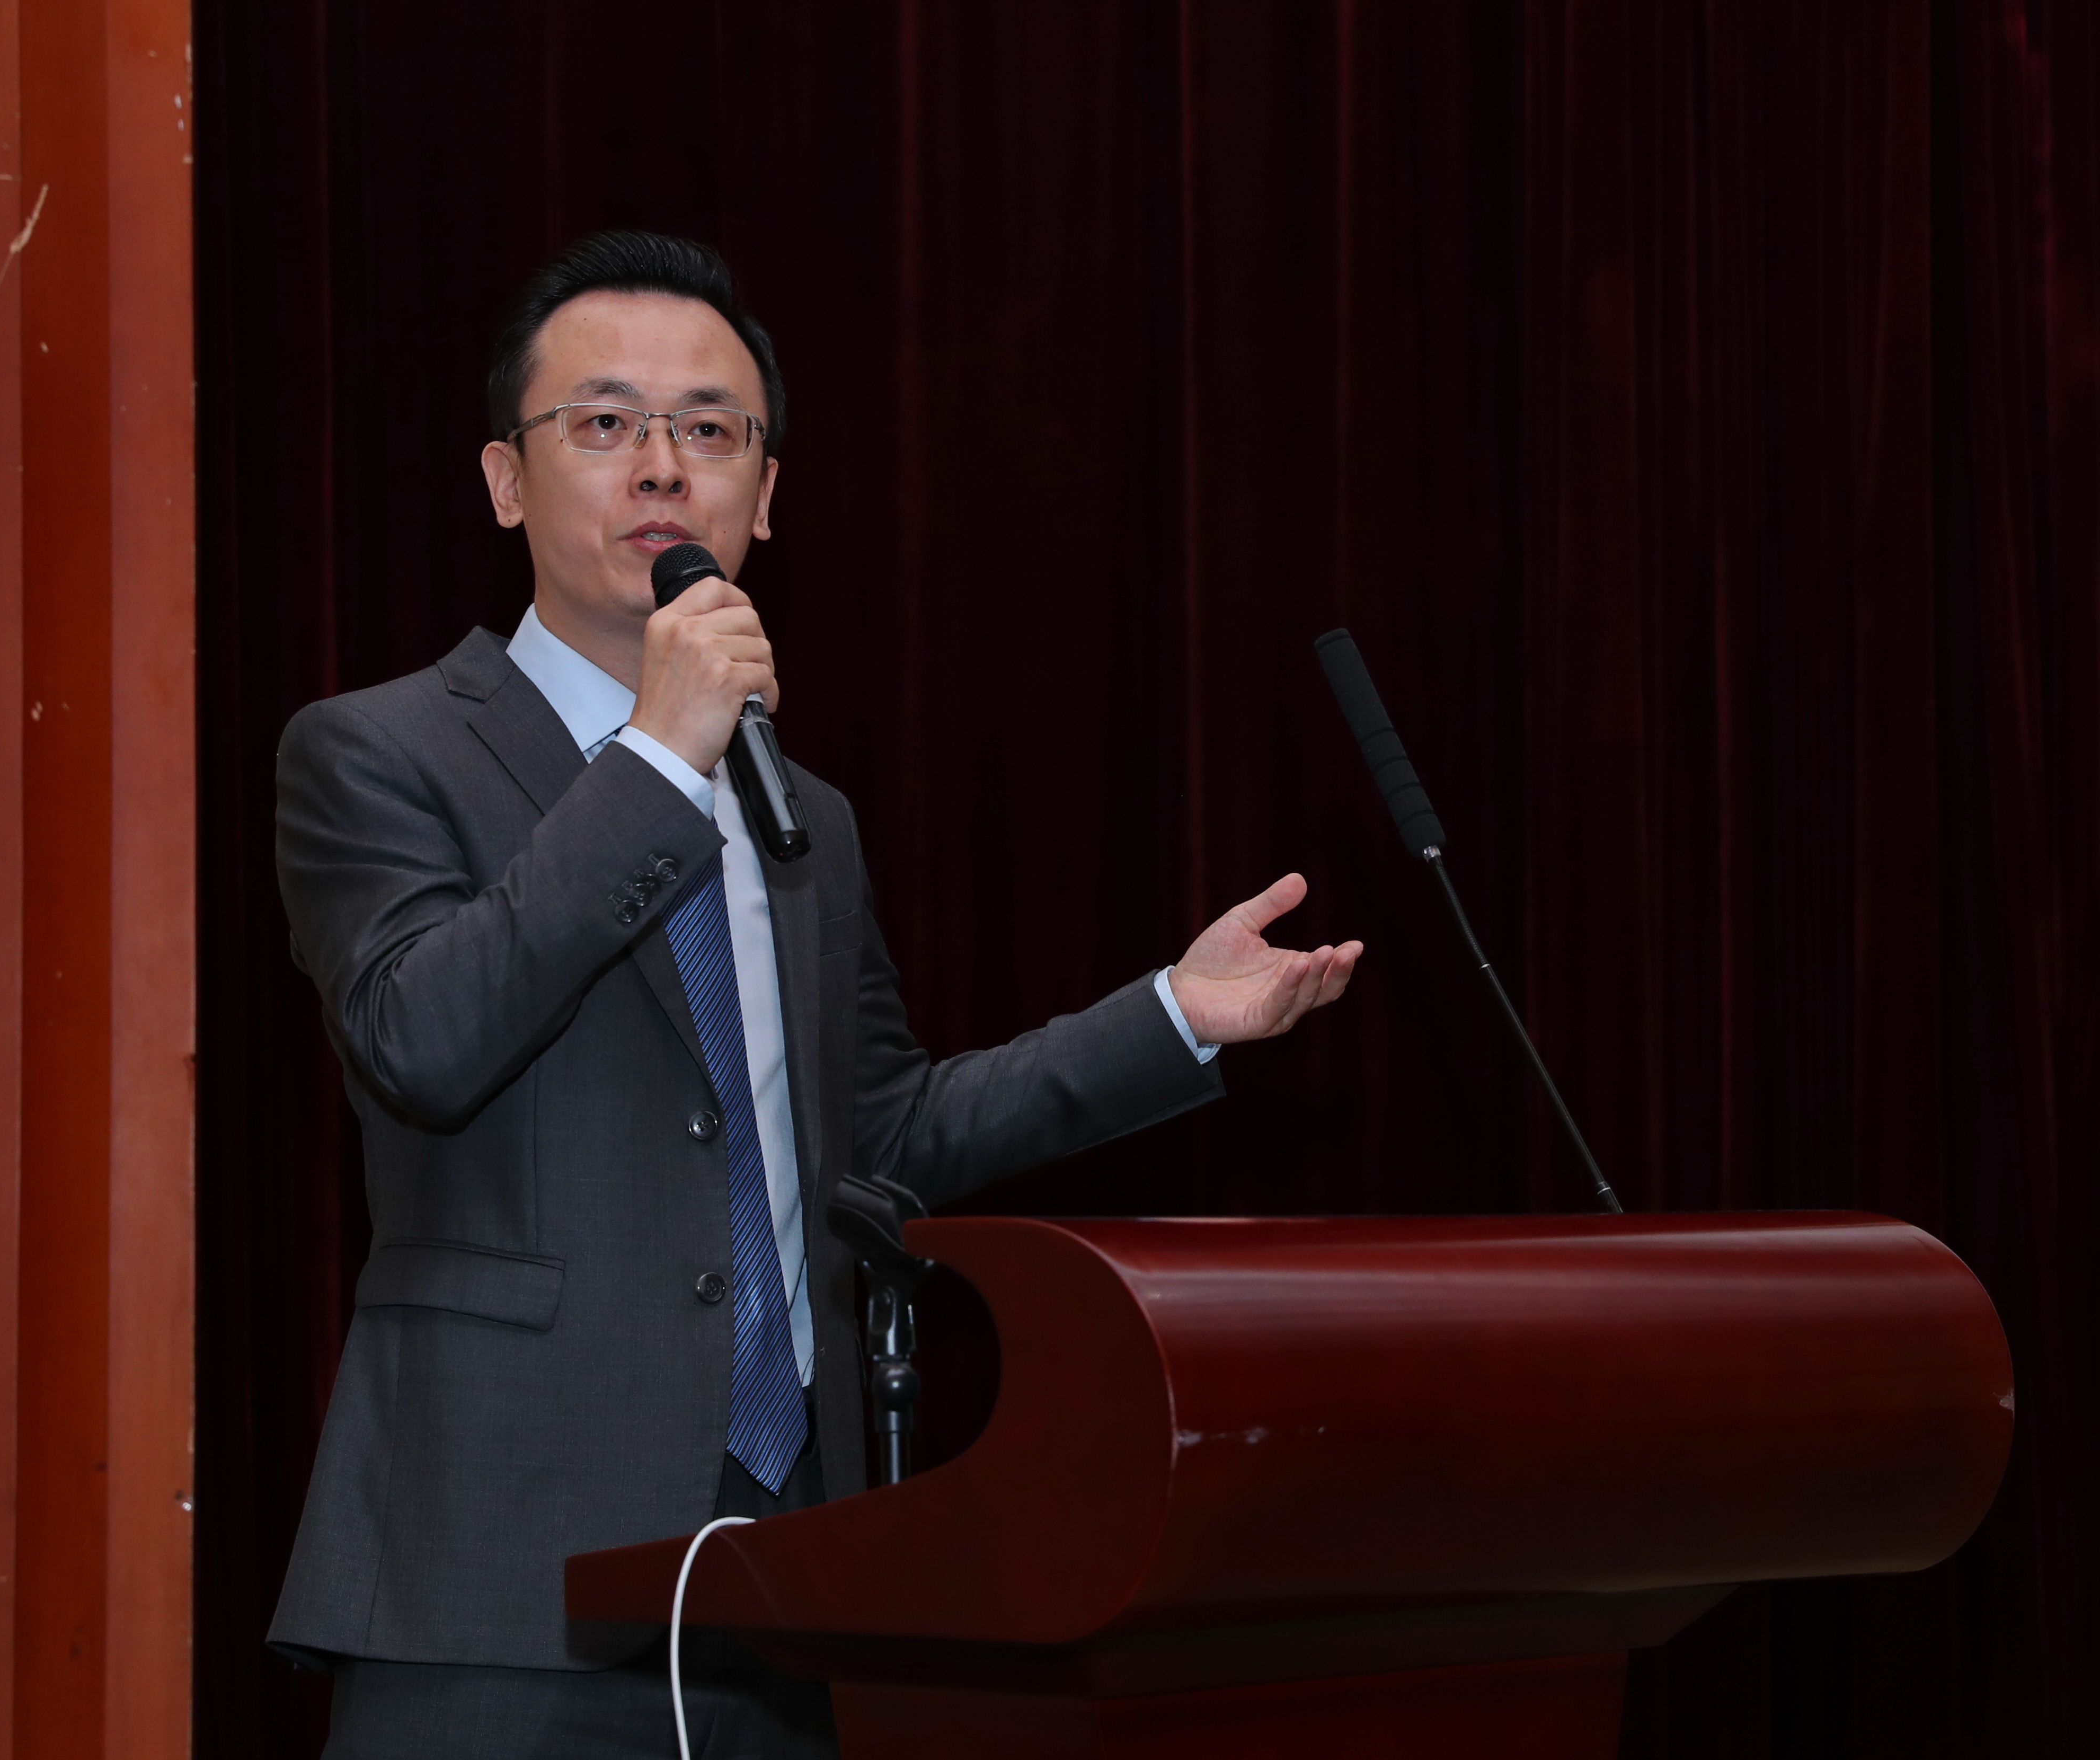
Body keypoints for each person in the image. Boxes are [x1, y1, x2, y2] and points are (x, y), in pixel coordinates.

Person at [268, 231, 1363, 1759]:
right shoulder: (378, 752)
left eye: (711, 430)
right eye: (605, 421)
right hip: (498, 1578)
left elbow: (881, 1136)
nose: (663, 465)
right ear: (506, 480)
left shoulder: (805, 819)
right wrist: (659, 759)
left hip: (793, 1573)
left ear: (766, 495)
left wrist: (1173, 1013)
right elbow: (423, 1039)